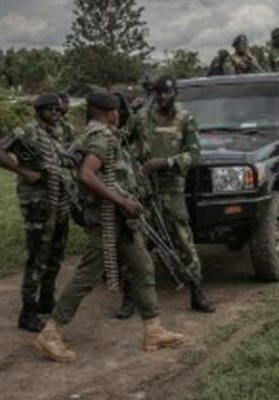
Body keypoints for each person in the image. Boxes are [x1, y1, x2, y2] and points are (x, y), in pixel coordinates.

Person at [33, 92, 188, 363]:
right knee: (87, 276)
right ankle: (51, 333)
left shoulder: (96, 134)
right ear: (108, 113)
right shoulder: (101, 138)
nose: (119, 115)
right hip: (107, 218)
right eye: (116, 111)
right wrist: (122, 200)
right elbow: (86, 174)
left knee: (142, 266)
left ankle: (153, 330)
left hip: (118, 220)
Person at [120, 76, 214, 318]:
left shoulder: (185, 118)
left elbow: (194, 154)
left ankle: (197, 293)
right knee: (135, 242)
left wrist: (167, 162)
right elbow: (121, 142)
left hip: (172, 189)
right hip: (143, 191)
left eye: (167, 93)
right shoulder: (140, 118)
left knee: (183, 240)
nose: (162, 97)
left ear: (175, 93)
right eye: (159, 93)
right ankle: (128, 299)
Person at [0, 93, 75, 333]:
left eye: (58, 110)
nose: (56, 114)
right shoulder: (26, 132)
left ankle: (47, 298)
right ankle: (27, 311)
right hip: (38, 202)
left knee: (57, 252)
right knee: (37, 255)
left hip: (61, 199)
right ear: (38, 112)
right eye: (50, 110)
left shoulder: (63, 131)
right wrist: (23, 171)